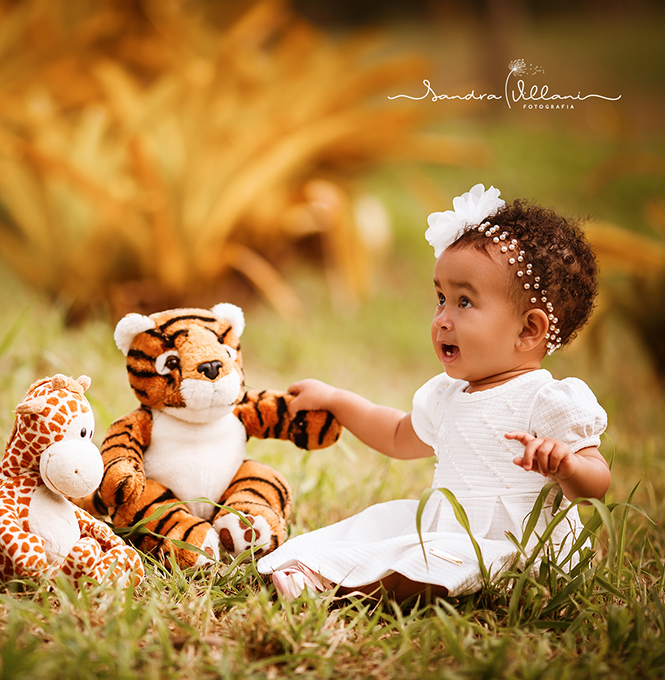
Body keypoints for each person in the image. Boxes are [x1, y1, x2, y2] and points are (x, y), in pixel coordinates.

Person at [257, 184, 610, 603]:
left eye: (464, 303)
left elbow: (596, 483)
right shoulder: (447, 394)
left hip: (518, 549)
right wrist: (336, 399)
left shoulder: (546, 400)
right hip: (448, 527)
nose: (442, 318)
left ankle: (336, 587)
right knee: (379, 528)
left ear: (528, 330)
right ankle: (318, 565)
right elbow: (395, 434)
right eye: (441, 298)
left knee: (432, 564)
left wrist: (567, 465)